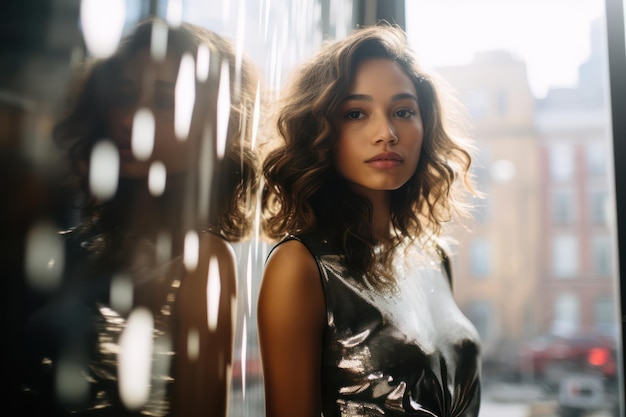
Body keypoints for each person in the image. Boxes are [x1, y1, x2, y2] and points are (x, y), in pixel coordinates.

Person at [20, 18, 261, 417]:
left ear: (209, 127)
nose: (131, 118)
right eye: (125, 95)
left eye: (165, 101)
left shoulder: (201, 261)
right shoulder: (73, 244)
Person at [257, 24, 481, 417]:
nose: (387, 133)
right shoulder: (299, 267)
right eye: (356, 113)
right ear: (320, 130)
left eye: (403, 111)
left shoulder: (435, 256)